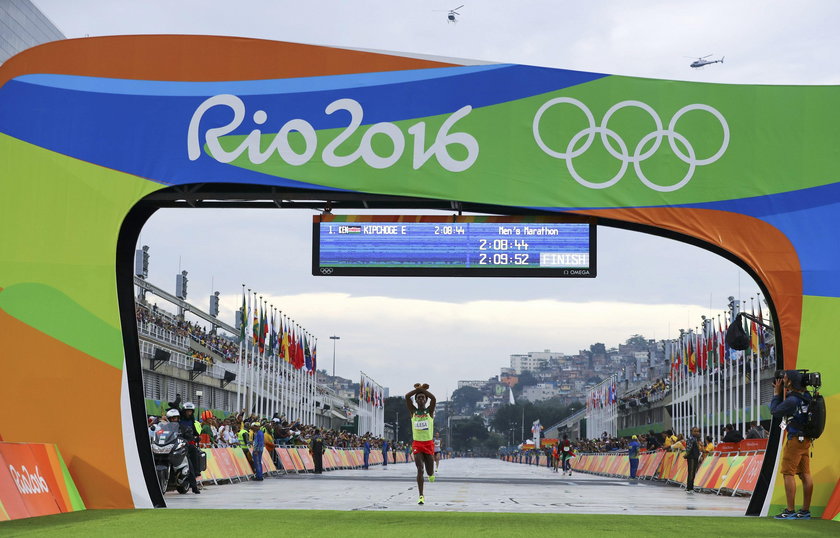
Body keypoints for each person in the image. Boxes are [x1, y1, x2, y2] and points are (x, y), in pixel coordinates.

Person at [770, 371, 814, 520]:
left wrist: (777, 394)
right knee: (805, 474)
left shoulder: (792, 400)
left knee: (788, 473)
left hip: (795, 440)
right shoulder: (807, 396)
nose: (783, 380)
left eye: (785, 378)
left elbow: (774, 411)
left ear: (791, 382)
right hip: (806, 440)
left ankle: (790, 511)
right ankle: (805, 511)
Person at [406, 382, 436, 505]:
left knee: (429, 472)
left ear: (425, 399)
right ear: (416, 401)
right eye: (418, 398)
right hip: (417, 444)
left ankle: (431, 474)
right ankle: (421, 495)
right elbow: (407, 397)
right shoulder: (413, 412)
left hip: (428, 444)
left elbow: (433, 398)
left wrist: (422, 389)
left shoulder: (430, 411)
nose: (421, 399)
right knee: (420, 469)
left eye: (422, 397)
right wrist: (418, 389)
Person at [178, 402, 201, 494]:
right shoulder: (179, 419)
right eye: (187, 411)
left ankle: (194, 486)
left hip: (188, 444)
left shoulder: (192, 421)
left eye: (190, 411)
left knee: (191, 463)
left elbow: (195, 432)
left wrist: (196, 437)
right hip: (178, 443)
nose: (189, 413)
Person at [684, 427, 701, 493]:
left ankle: (691, 487)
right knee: (691, 472)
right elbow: (688, 448)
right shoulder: (691, 439)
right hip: (691, 457)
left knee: (693, 472)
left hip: (695, 457)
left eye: (698, 431)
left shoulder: (696, 439)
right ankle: (689, 488)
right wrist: (686, 455)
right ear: (691, 432)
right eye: (695, 431)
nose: (697, 432)